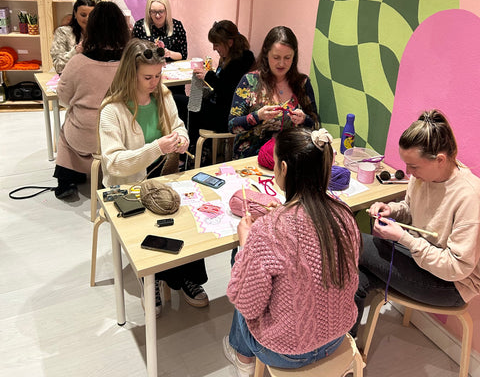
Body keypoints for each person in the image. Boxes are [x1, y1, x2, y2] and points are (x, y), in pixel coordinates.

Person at [224, 127, 361, 376]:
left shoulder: (268, 230)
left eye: (275, 163)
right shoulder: (344, 215)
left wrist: (245, 244)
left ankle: (243, 361)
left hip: (285, 351)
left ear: (284, 169)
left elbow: (246, 304)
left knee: (241, 275)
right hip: (336, 337)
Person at [99, 38, 209, 314]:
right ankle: (155, 277)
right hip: (127, 187)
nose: (154, 82)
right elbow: (114, 164)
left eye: (158, 75)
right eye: (147, 77)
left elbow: (179, 126)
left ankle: (183, 276)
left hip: (163, 176)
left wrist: (181, 139)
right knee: (157, 218)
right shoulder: (112, 110)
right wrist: (156, 147)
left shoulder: (163, 96)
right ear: (130, 74)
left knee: (189, 214)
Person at [351, 109, 480, 337]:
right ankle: (345, 355)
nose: (408, 172)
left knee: (352, 238)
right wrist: (392, 210)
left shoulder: (469, 196)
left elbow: (457, 268)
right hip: (421, 261)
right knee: (355, 279)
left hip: (453, 285)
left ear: (440, 160)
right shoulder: (424, 178)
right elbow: (412, 210)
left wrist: (404, 238)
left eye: (414, 167)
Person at [53, 1, 130, 200]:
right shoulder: (131, 62)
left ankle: (66, 180)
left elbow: (63, 98)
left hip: (85, 137)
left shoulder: (78, 62)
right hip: (122, 135)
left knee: (66, 130)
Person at [228, 26, 319, 159]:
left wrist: (304, 119)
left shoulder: (302, 83)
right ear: (266, 54)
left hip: (288, 158)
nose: (281, 63)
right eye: (276, 57)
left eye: (287, 57)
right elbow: (232, 126)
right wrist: (257, 116)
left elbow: (316, 125)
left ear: (294, 57)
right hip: (251, 159)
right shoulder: (250, 81)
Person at [188, 20, 255, 148]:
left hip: (226, 117)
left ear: (229, 43)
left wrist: (207, 76)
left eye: (216, 44)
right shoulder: (233, 57)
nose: (214, 48)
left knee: (188, 107)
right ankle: (196, 150)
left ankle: (195, 151)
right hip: (221, 109)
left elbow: (226, 88)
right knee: (186, 103)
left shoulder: (241, 60)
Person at [50, 0, 96, 74]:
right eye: (83, 15)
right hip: (70, 79)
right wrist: (76, 51)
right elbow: (59, 66)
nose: (88, 19)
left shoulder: (100, 34)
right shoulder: (63, 32)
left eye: (92, 15)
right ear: (75, 14)